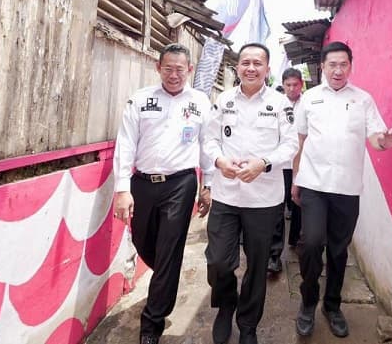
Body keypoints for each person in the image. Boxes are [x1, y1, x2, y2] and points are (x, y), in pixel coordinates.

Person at [292, 41, 392, 338]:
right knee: (311, 244)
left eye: (343, 65)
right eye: (332, 65)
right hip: (314, 184)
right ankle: (308, 301)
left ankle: (332, 305)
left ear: (351, 66)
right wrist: (296, 179)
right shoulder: (309, 98)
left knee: (339, 250)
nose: (338, 70)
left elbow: (376, 137)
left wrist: (385, 142)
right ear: (322, 67)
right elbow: (299, 142)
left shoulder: (363, 100)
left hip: (347, 187)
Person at [111, 43, 213, 344]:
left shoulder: (200, 102)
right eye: (168, 68)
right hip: (142, 184)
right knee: (144, 242)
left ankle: (151, 324)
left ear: (190, 70)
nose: (174, 74)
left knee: (169, 248)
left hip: (181, 184)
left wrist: (207, 186)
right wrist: (122, 189)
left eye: (180, 69)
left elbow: (207, 145)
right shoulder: (141, 100)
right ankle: (165, 281)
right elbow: (126, 143)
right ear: (158, 68)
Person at [203, 42, 299, 344]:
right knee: (218, 261)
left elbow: (290, 145)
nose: (251, 68)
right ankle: (225, 305)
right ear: (237, 67)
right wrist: (219, 161)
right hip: (226, 196)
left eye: (258, 63)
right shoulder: (223, 100)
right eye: (245, 62)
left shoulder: (280, 103)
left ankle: (248, 324)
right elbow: (209, 140)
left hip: (264, 200)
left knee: (257, 266)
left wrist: (264, 163)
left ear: (267, 69)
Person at [267, 67, 305, 273]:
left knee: (299, 204)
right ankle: (274, 255)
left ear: (301, 84)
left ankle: (296, 240)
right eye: (288, 85)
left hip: (302, 164)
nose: (291, 88)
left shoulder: (308, 104)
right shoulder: (274, 103)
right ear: (283, 85)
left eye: (295, 85)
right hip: (280, 164)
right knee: (278, 207)